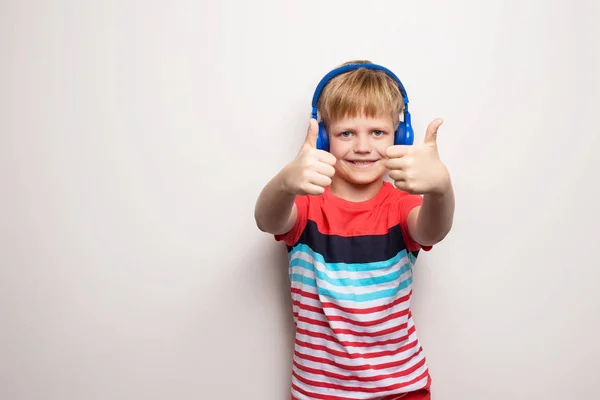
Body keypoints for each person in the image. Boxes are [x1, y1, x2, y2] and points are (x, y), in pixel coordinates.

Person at [254, 60, 455, 400]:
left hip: (400, 388)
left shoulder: (401, 204)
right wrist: (285, 182)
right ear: (323, 140)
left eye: (377, 132)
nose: (362, 146)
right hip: (319, 392)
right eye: (346, 133)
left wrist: (441, 189)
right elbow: (268, 220)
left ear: (400, 135)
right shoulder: (306, 205)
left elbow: (432, 231)